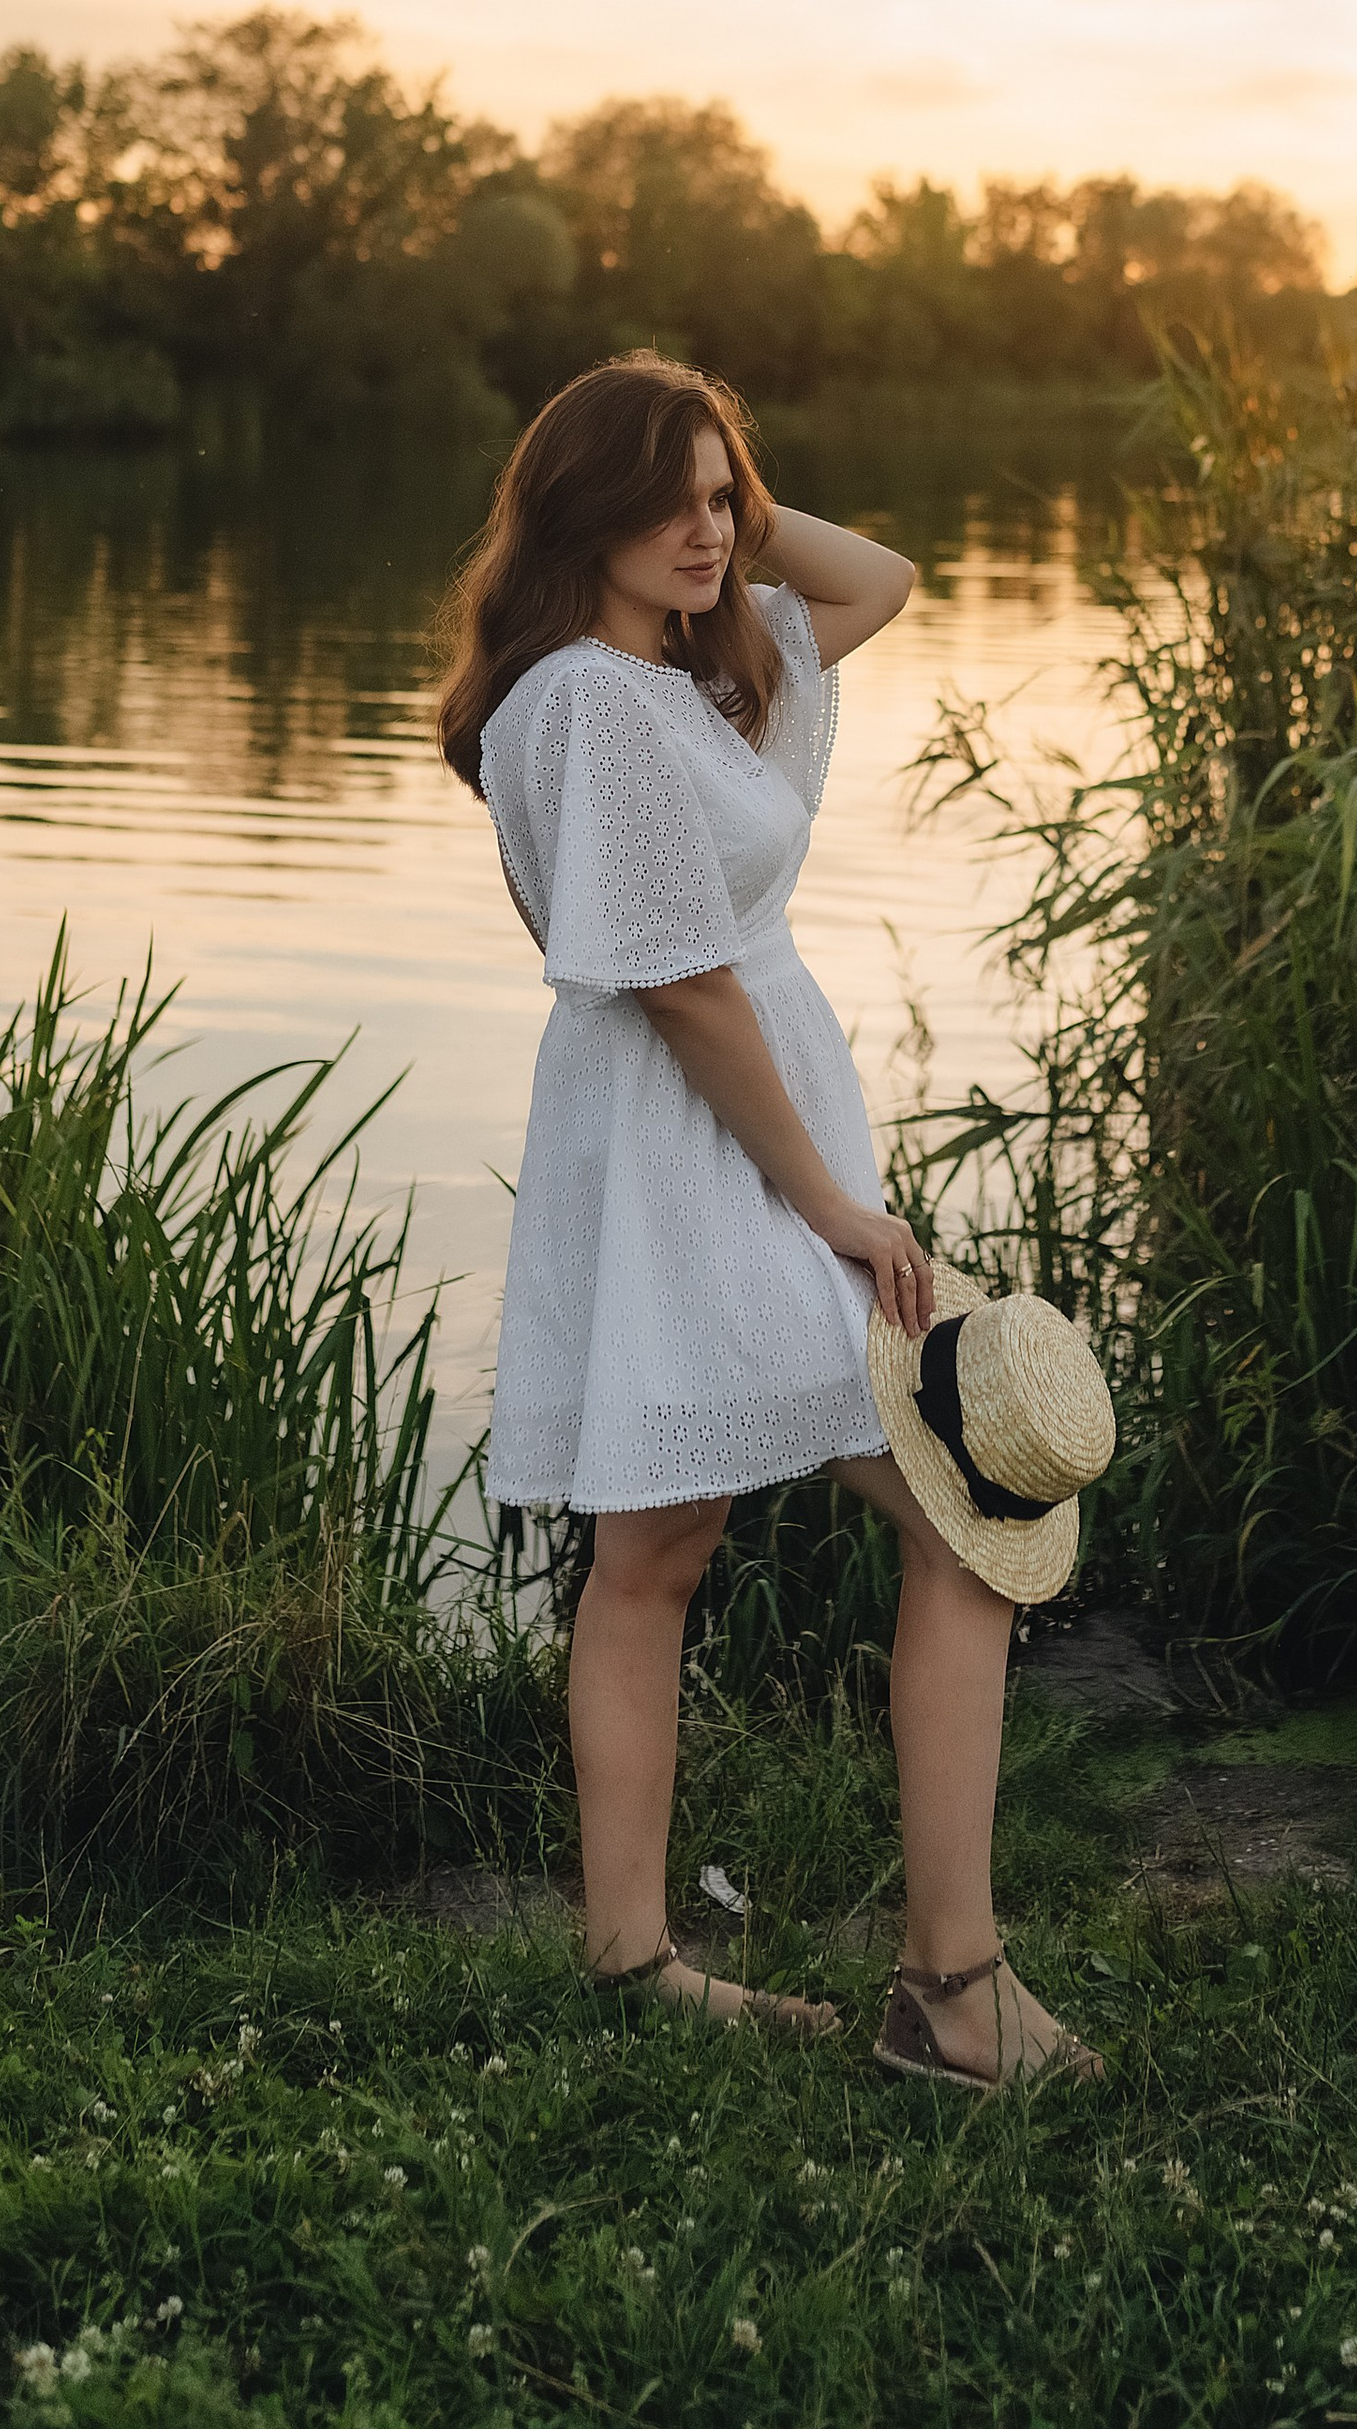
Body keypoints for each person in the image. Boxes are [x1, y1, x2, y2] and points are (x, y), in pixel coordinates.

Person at [436, 352, 1106, 2090]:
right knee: (962, 1507)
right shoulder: (590, 701)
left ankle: (636, 1957)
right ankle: (948, 1991)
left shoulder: (688, 684)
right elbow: (680, 981)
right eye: (666, 499)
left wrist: (738, 503)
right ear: (576, 509)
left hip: (718, 1129)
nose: (710, 529)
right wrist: (825, 1201)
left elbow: (880, 578)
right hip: (707, 1149)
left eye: (722, 496)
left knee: (657, 1556)